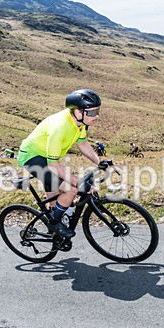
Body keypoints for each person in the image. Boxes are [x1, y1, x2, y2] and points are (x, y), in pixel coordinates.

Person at [17, 88, 106, 238]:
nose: (96, 116)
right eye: (91, 113)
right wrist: (77, 182)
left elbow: (83, 144)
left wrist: (100, 161)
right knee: (71, 189)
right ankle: (55, 224)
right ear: (78, 111)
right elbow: (53, 165)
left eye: (97, 111)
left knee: (59, 196)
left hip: (48, 158)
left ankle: (54, 223)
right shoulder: (60, 126)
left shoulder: (79, 122)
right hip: (33, 158)